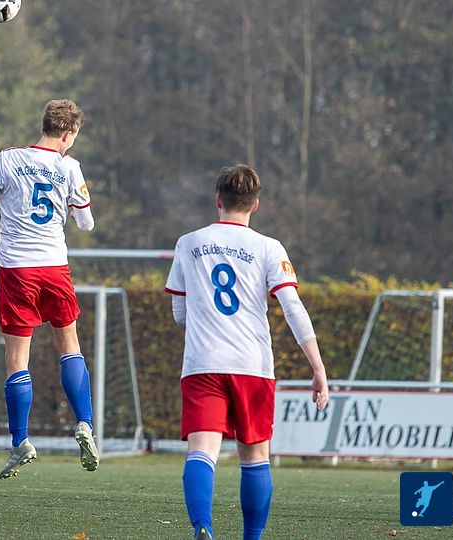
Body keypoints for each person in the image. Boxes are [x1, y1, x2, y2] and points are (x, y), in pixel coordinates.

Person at [164, 164, 330, 540]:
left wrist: (206, 325)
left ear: (217, 200)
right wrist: (317, 367)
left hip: (203, 364)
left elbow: (179, 313)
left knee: (201, 451)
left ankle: (203, 525)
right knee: (255, 457)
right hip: (252, 366)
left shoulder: (188, 243)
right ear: (255, 204)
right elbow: (292, 307)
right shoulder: (268, 247)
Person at [0, 99, 98, 479]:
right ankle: (84, 422)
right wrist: (72, 207)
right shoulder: (70, 167)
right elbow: (86, 224)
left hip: (16, 270)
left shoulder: (8, 159)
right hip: (55, 268)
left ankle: (20, 441)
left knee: (17, 359)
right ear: (68, 134)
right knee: (69, 345)